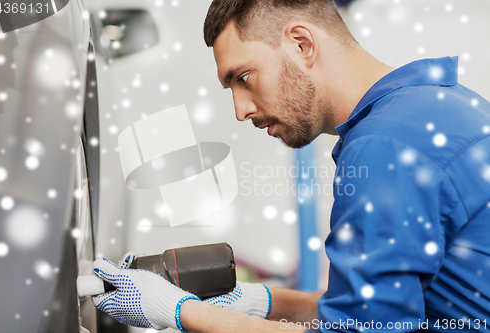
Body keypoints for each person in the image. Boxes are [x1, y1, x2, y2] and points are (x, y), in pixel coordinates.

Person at [91, 0, 490, 332]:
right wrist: (262, 300)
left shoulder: (384, 148)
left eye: (244, 77)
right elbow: (374, 312)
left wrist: (180, 312)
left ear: (301, 44)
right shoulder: (438, 104)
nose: (240, 110)